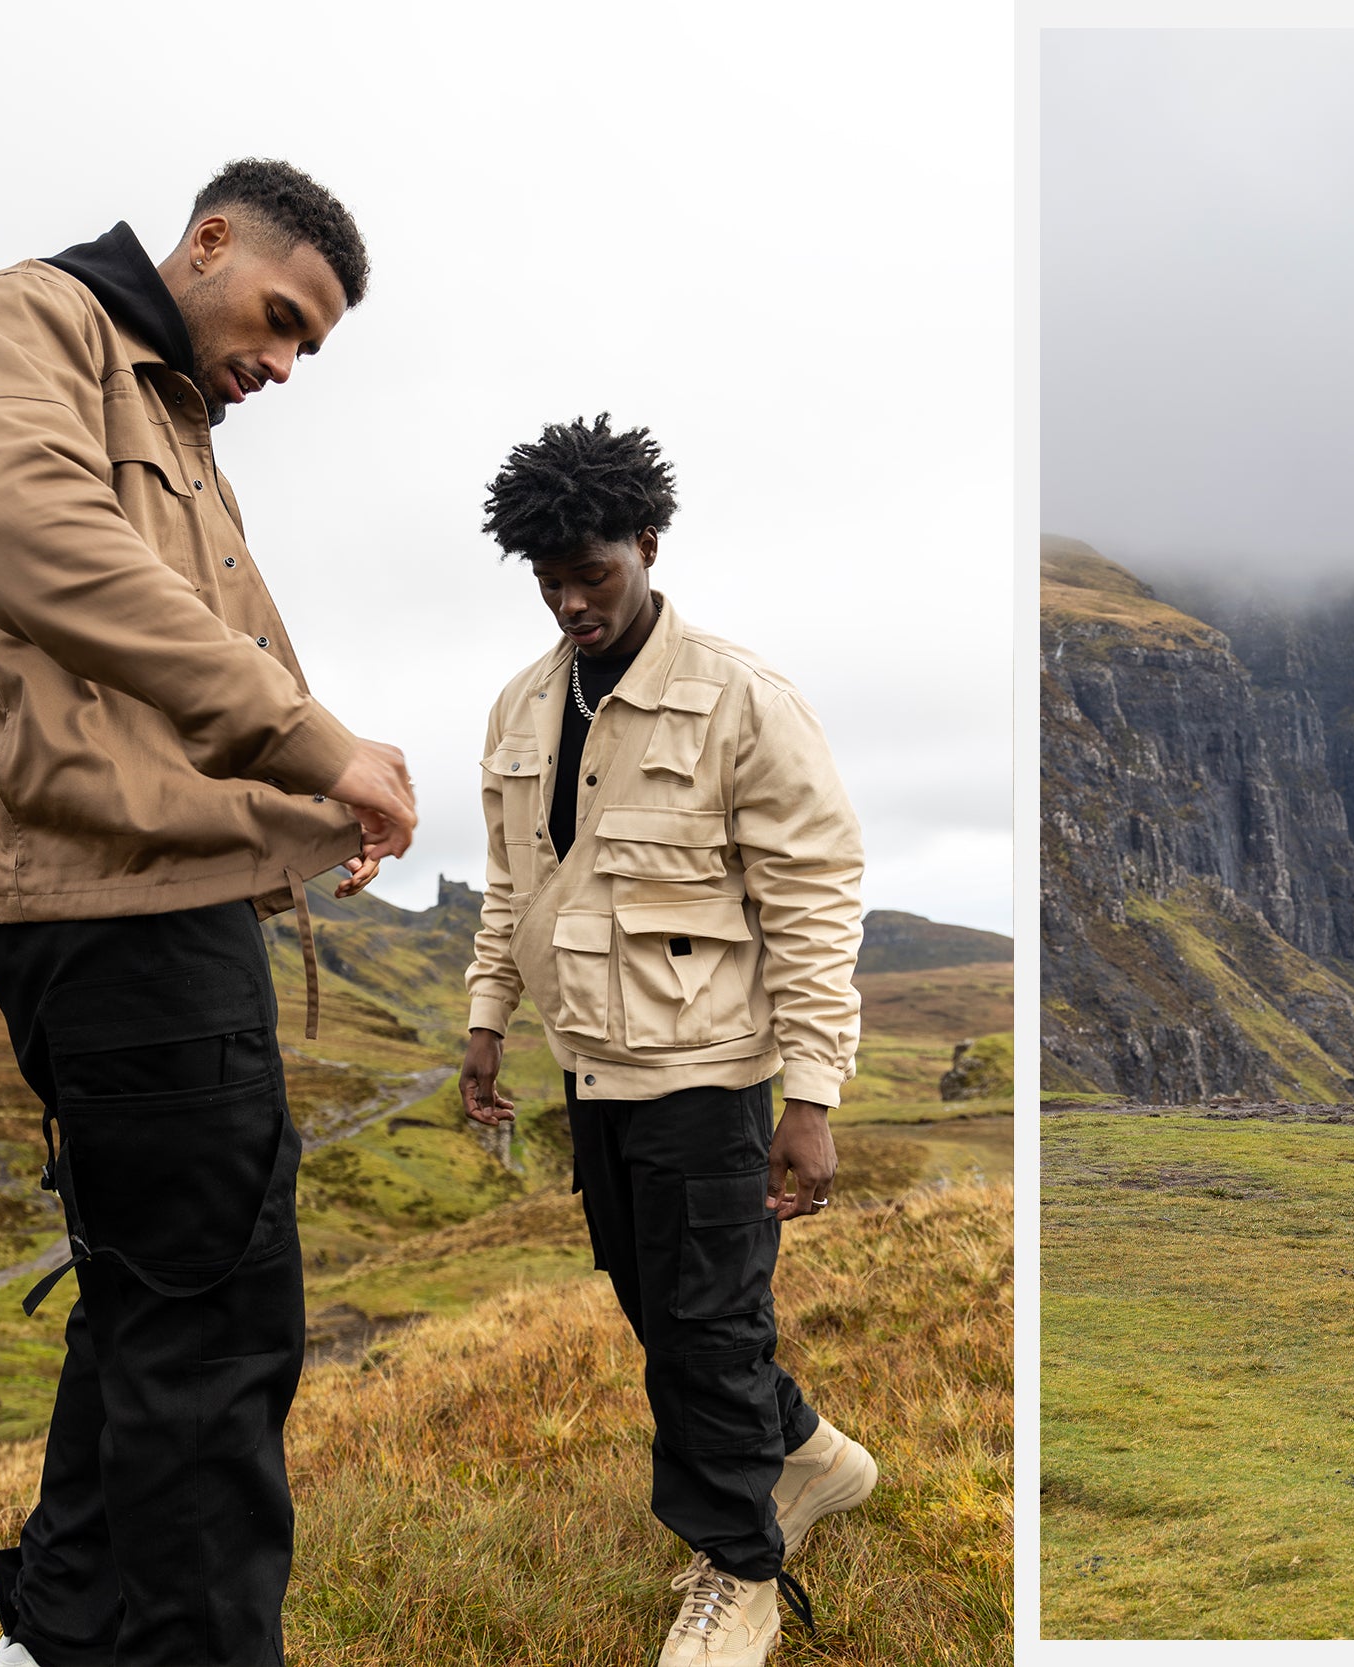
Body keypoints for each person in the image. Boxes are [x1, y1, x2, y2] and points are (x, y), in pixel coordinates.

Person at [0, 159, 418, 1667]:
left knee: (151, 1292)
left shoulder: (175, 409)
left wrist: (307, 805)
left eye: (309, 349)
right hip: (110, 906)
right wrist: (315, 740)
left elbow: (150, 683)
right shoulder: (28, 321)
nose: (281, 362)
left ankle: (57, 1635)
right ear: (205, 244)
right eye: (279, 317)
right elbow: (41, 548)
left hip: (150, 887)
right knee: (215, 1327)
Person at [459, 417, 878, 1667]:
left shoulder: (743, 698)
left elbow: (814, 893)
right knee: (666, 1309)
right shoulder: (523, 706)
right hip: (594, 1071)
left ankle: (739, 1570)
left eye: (593, 570)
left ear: (648, 540)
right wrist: (484, 1022)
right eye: (549, 580)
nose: (573, 599)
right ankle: (809, 1453)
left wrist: (811, 1094)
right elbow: (507, 881)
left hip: (714, 1075)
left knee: (704, 1322)